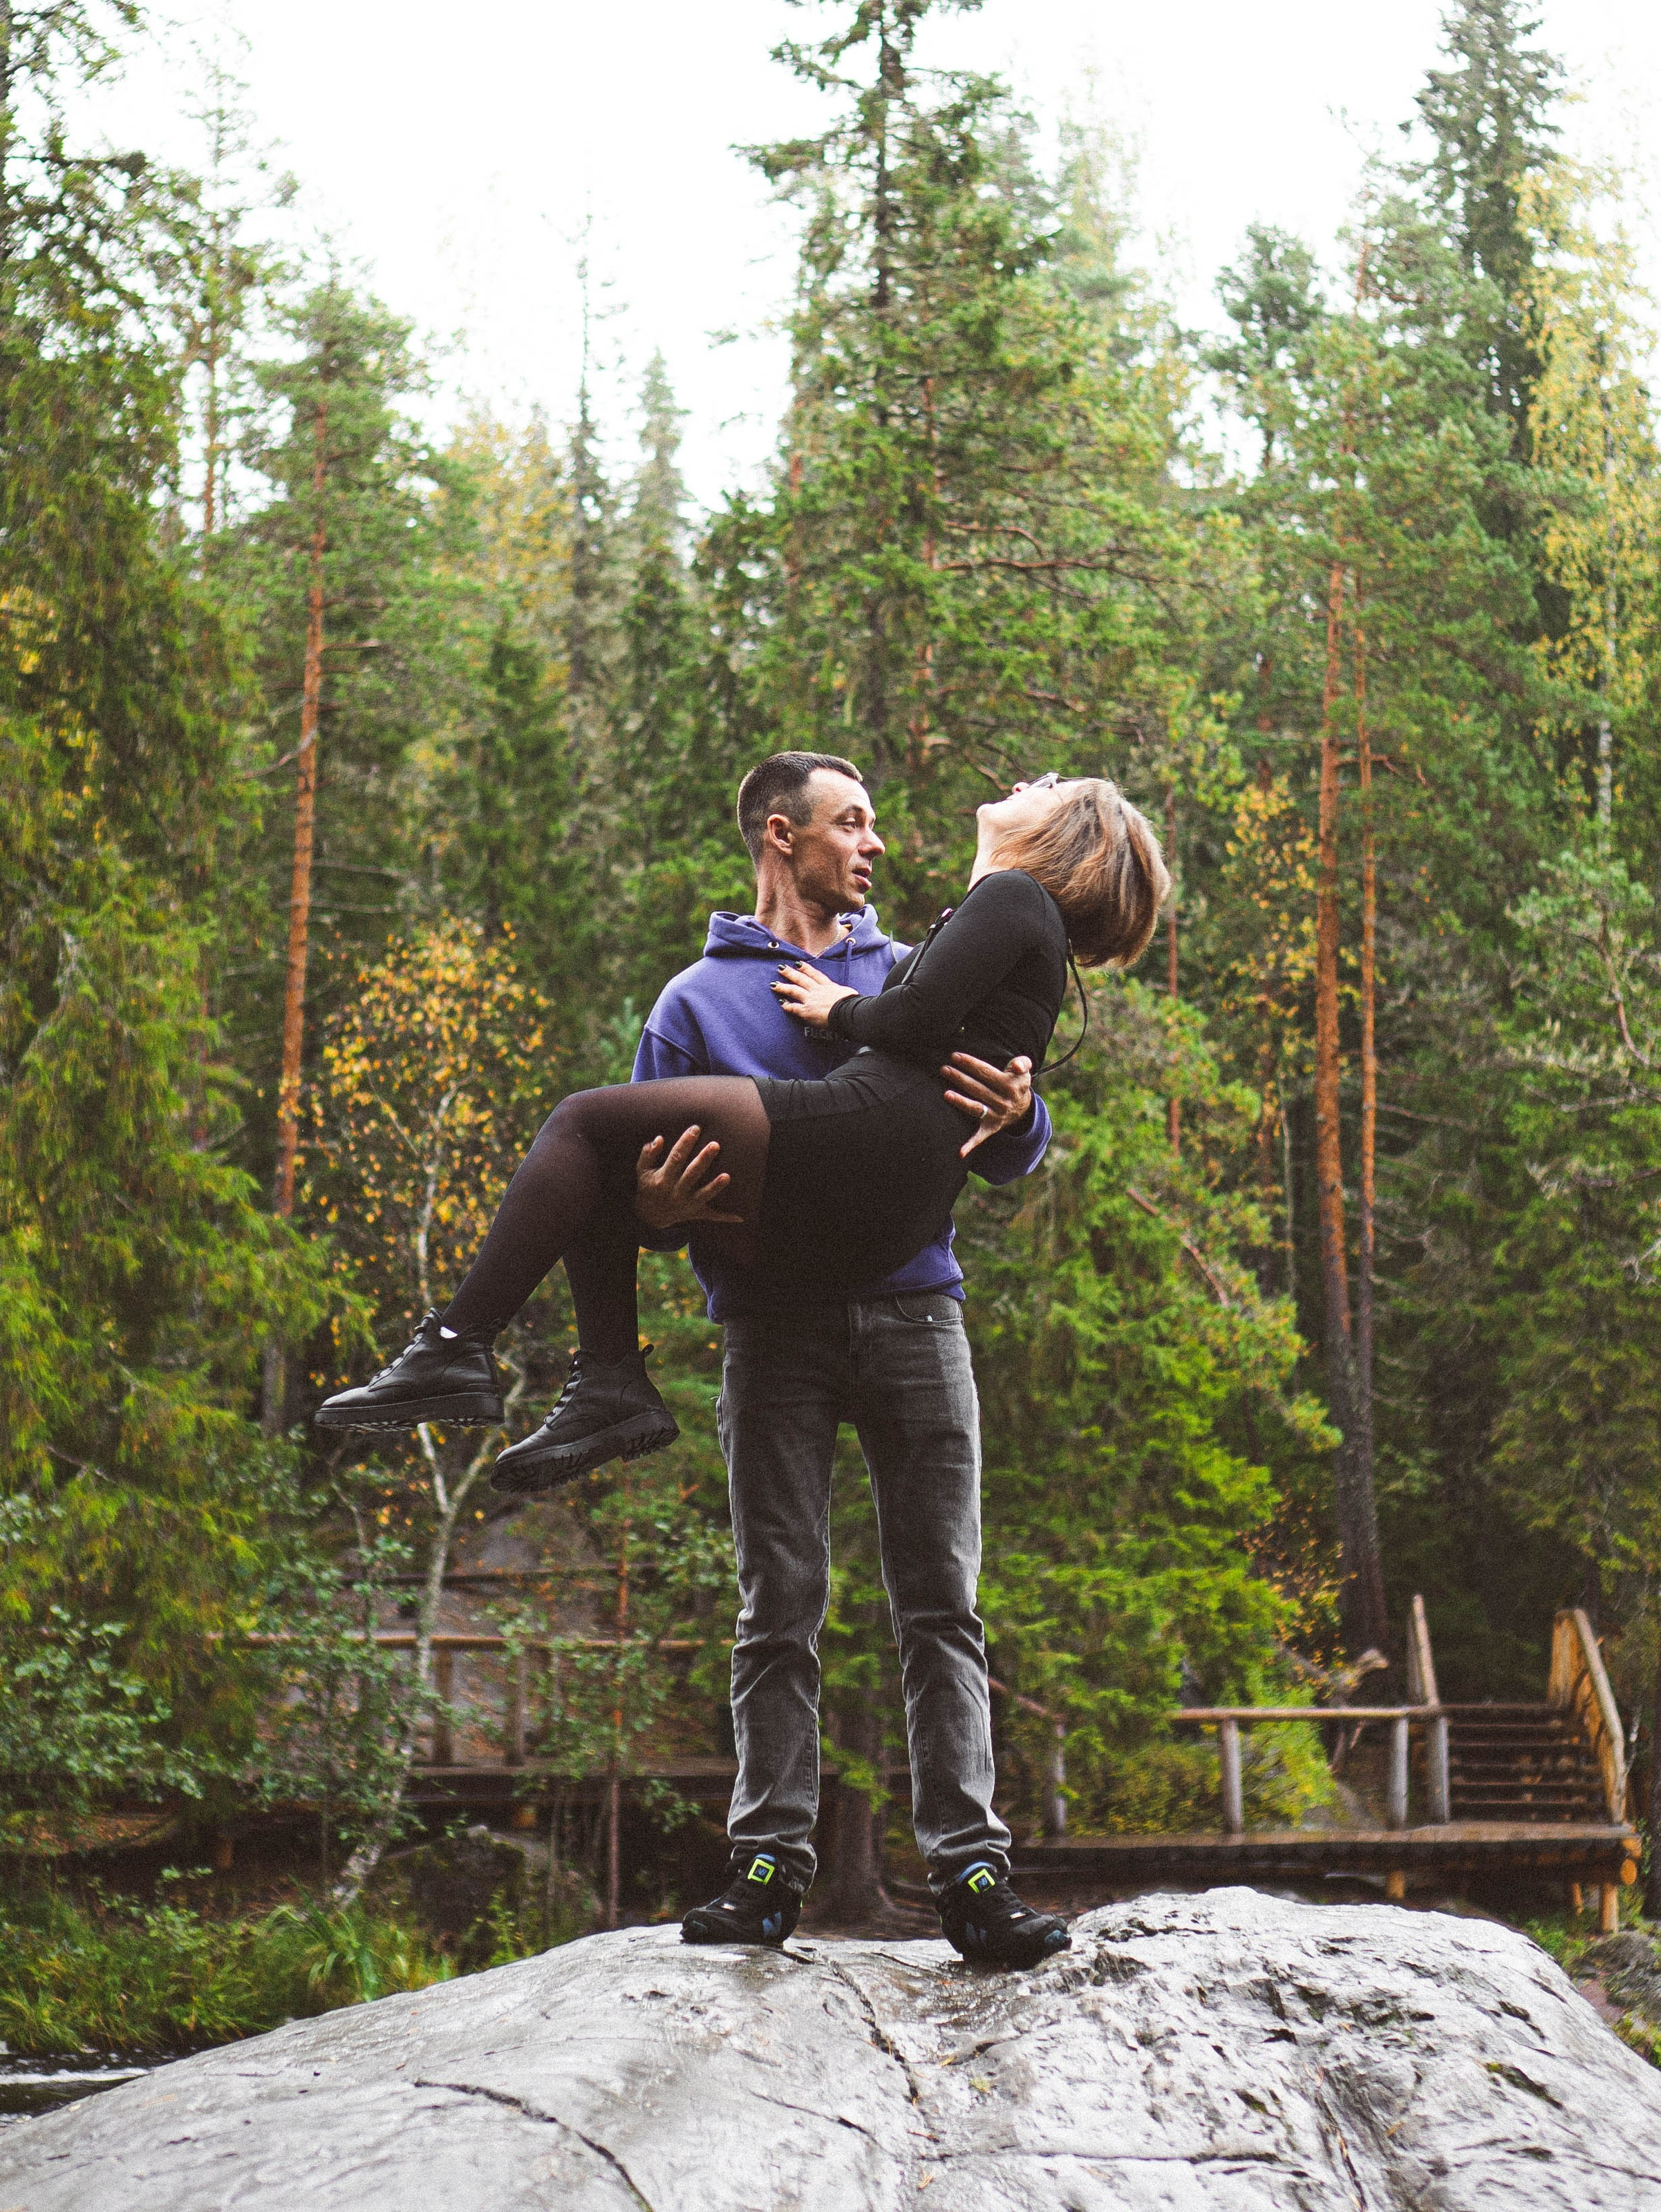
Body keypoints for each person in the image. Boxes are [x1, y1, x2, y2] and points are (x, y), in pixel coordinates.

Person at [317, 755, 1167, 1963]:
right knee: (779, 1603)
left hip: (915, 1310)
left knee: (944, 1602)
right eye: (853, 823)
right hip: (772, 1324)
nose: (875, 844)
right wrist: (661, 1214)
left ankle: (971, 1872)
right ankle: (768, 1864)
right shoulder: (692, 1004)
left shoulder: (903, 963)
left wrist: (1019, 1109)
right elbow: (636, 1209)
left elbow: (994, 1141)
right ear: (785, 838)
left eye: (879, 822)